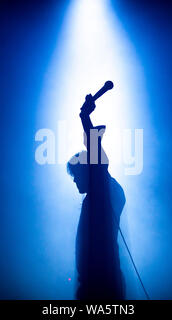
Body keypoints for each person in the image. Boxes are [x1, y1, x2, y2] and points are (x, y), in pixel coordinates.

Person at [67, 94, 126, 300]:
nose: (75, 181)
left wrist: (84, 116)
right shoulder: (97, 196)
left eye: (76, 175)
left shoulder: (101, 191)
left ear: (88, 171)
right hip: (96, 283)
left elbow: (95, 153)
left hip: (101, 284)